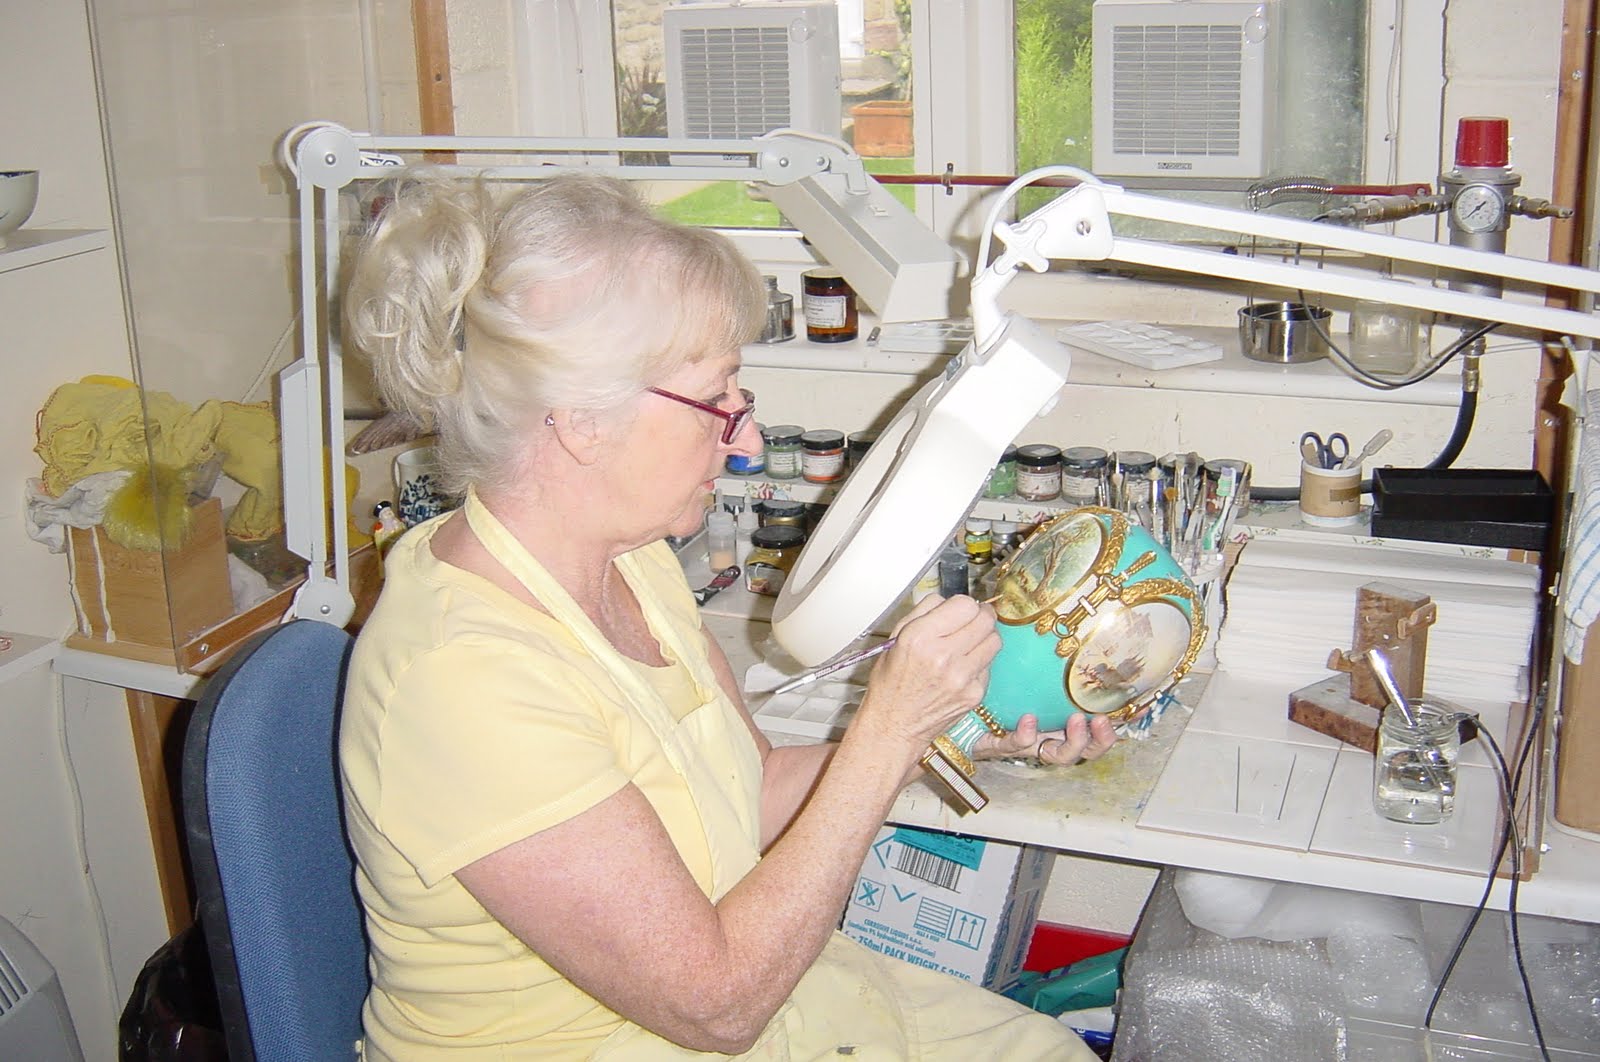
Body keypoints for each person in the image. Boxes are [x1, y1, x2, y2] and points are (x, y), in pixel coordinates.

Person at [338, 170, 1119, 1060]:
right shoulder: (463, 680)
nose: (745, 441)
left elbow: (753, 793)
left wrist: (967, 727)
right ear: (582, 423)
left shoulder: (628, 561)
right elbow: (716, 1006)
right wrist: (888, 730)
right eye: (718, 401)